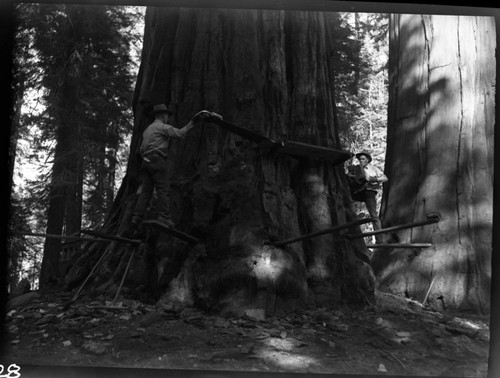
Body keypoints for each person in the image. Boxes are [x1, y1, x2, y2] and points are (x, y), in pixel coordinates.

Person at [130, 104, 221, 233]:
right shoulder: (162, 127)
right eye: (166, 115)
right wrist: (193, 122)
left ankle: (136, 218)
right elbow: (180, 133)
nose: (167, 117)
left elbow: (141, 150)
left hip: (145, 162)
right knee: (163, 188)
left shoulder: (147, 130)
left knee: (146, 192)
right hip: (157, 160)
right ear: (162, 115)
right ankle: (164, 217)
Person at [349, 151, 388, 243]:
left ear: (367, 160)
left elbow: (385, 178)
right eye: (359, 159)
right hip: (358, 192)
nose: (360, 161)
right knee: (347, 202)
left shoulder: (373, 168)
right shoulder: (357, 169)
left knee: (373, 215)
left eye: (362, 159)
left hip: (369, 192)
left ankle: (379, 240)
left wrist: (371, 179)